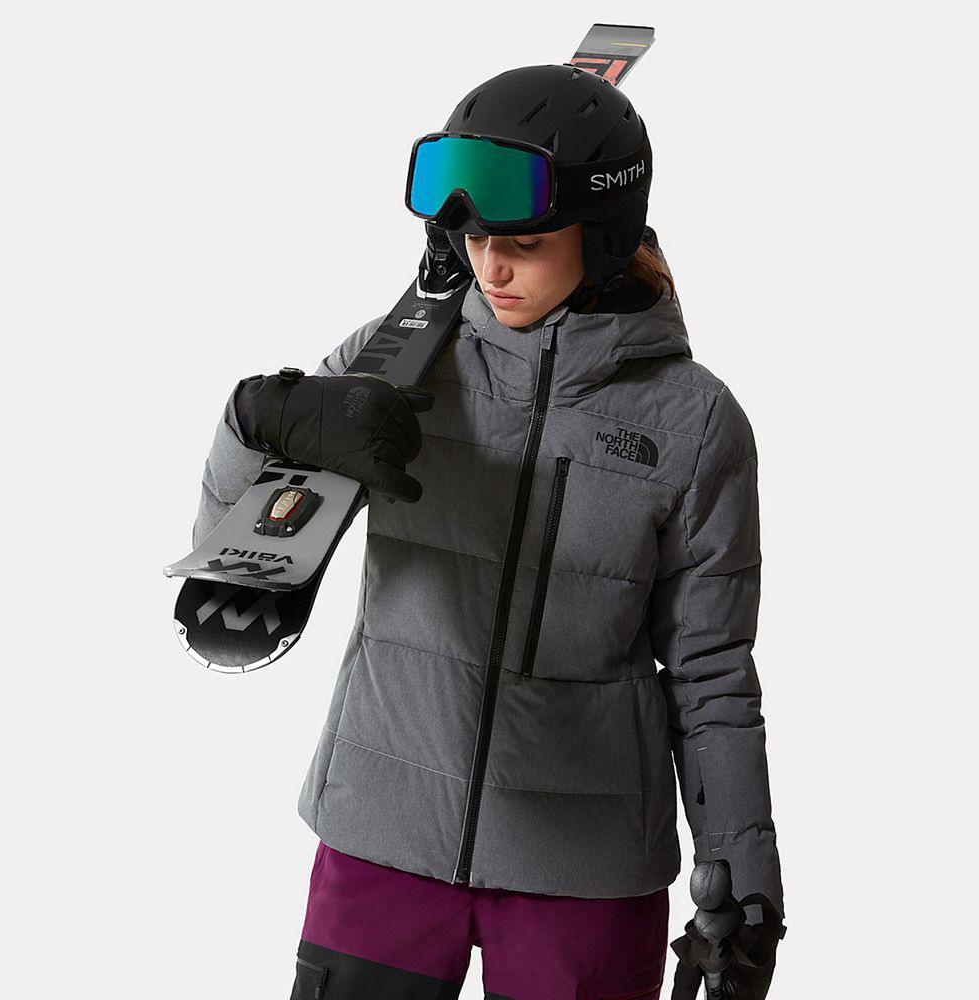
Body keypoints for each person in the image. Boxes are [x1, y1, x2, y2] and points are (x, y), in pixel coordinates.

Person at [193, 64, 785, 1000]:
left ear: (603, 234)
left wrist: (743, 872)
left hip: (584, 865)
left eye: (525, 243)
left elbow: (709, 668)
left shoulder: (695, 423)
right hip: (383, 833)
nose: (490, 267)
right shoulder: (395, 365)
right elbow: (241, 568)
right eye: (471, 238)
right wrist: (254, 421)